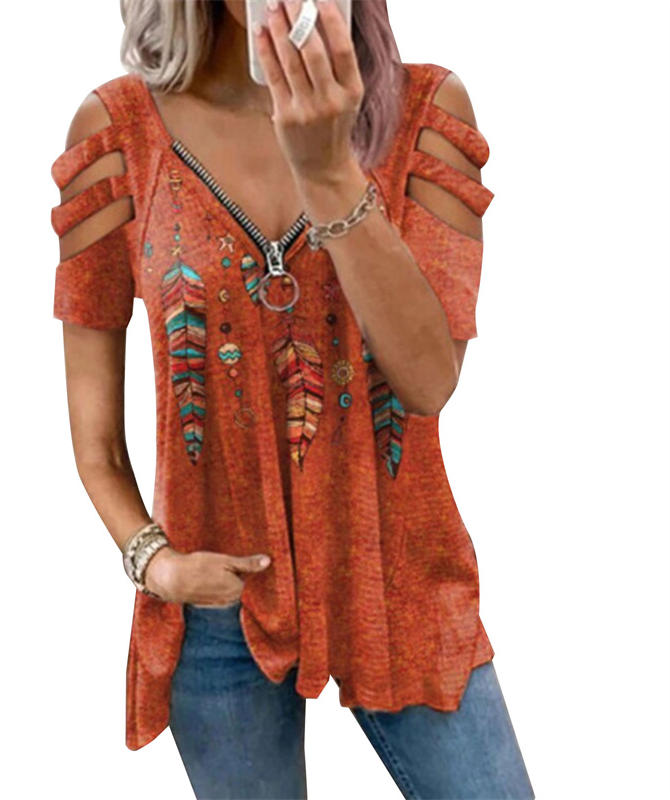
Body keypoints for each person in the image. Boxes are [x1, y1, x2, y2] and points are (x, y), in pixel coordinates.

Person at [50, 0, 535, 797]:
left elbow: (428, 381)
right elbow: (94, 441)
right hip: (219, 610)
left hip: (402, 585)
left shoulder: (427, 114)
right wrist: (156, 563)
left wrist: (329, 170)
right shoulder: (119, 134)